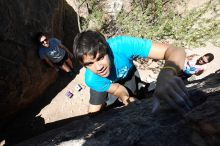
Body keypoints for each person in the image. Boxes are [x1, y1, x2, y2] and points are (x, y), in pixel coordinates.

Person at [73, 30, 192, 115]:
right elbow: (116, 89)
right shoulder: (92, 78)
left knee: (135, 96)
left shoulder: (122, 45)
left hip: (127, 74)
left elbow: (176, 51)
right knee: (94, 114)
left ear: (107, 49)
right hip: (102, 82)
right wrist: (125, 97)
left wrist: (166, 74)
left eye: (100, 58)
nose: (98, 67)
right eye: (89, 63)